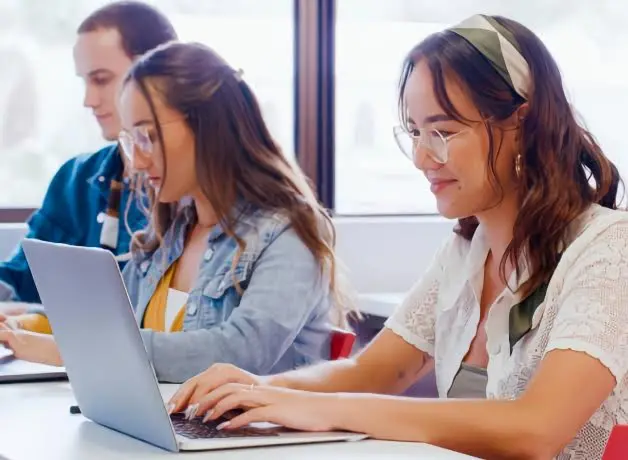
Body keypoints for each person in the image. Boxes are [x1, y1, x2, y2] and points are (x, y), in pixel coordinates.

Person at [167, 14, 628, 459]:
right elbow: (372, 371)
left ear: (521, 127)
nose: (422, 157)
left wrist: (322, 410)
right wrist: (256, 388)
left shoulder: (608, 249)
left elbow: (537, 430)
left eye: (443, 132)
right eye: (414, 132)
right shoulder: (466, 252)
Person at [0, 41, 351, 383]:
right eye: (131, 141)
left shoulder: (286, 234)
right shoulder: (170, 233)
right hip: (172, 430)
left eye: (148, 137)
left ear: (206, 126)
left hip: (255, 439)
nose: (136, 162)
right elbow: (113, 323)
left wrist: (65, 349)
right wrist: (24, 324)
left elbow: (239, 352)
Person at [0, 1, 178, 325]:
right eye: (84, 81)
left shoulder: (189, 192)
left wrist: (35, 318)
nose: (88, 100)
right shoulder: (75, 179)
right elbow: (20, 279)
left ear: (157, 76)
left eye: (101, 79)